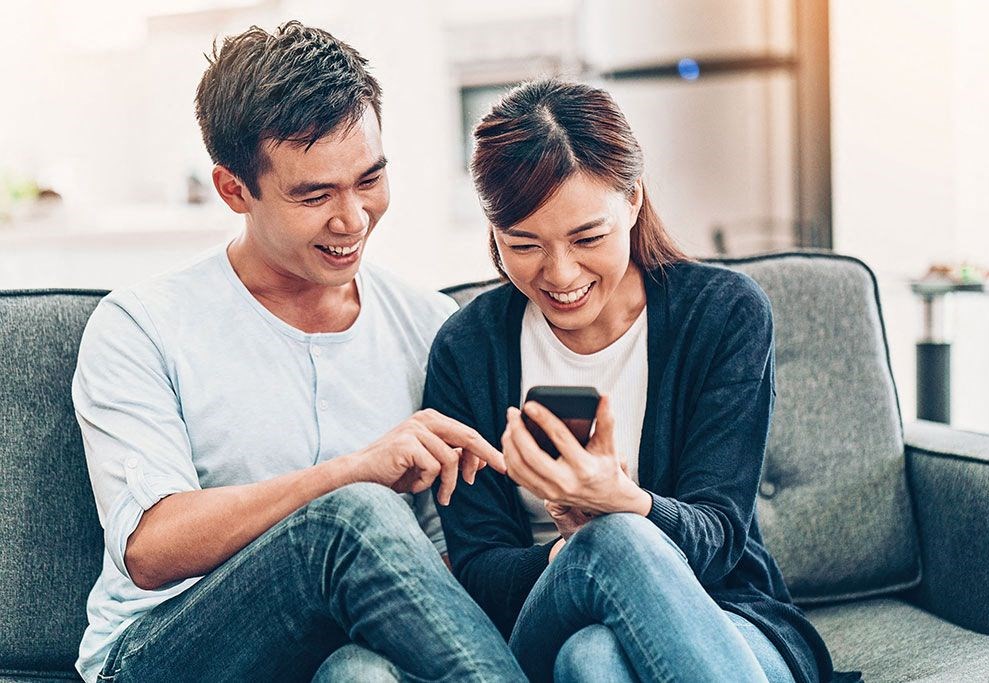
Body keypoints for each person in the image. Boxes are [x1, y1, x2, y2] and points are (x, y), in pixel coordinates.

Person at [72, 21, 525, 683]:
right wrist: (351, 474)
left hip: (350, 640)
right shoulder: (142, 325)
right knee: (350, 513)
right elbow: (150, 546)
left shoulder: (429, 324)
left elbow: (442, 564)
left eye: (368, 179)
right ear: (234, 190)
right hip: (162, 653)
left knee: (362, 675)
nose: (353, 219)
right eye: (314, 195)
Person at [424, 79, 847, 683]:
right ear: (493, 232)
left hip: (727, 619)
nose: (560, 274)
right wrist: (576, 544)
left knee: (594, 660)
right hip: (547, 614)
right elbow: (479, 570)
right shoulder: (467, 351)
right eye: (523, 244)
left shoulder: (723, 314)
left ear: (634, 200)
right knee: (612, 546)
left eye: (587, 237)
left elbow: (720, 536)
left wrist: (626, 502)